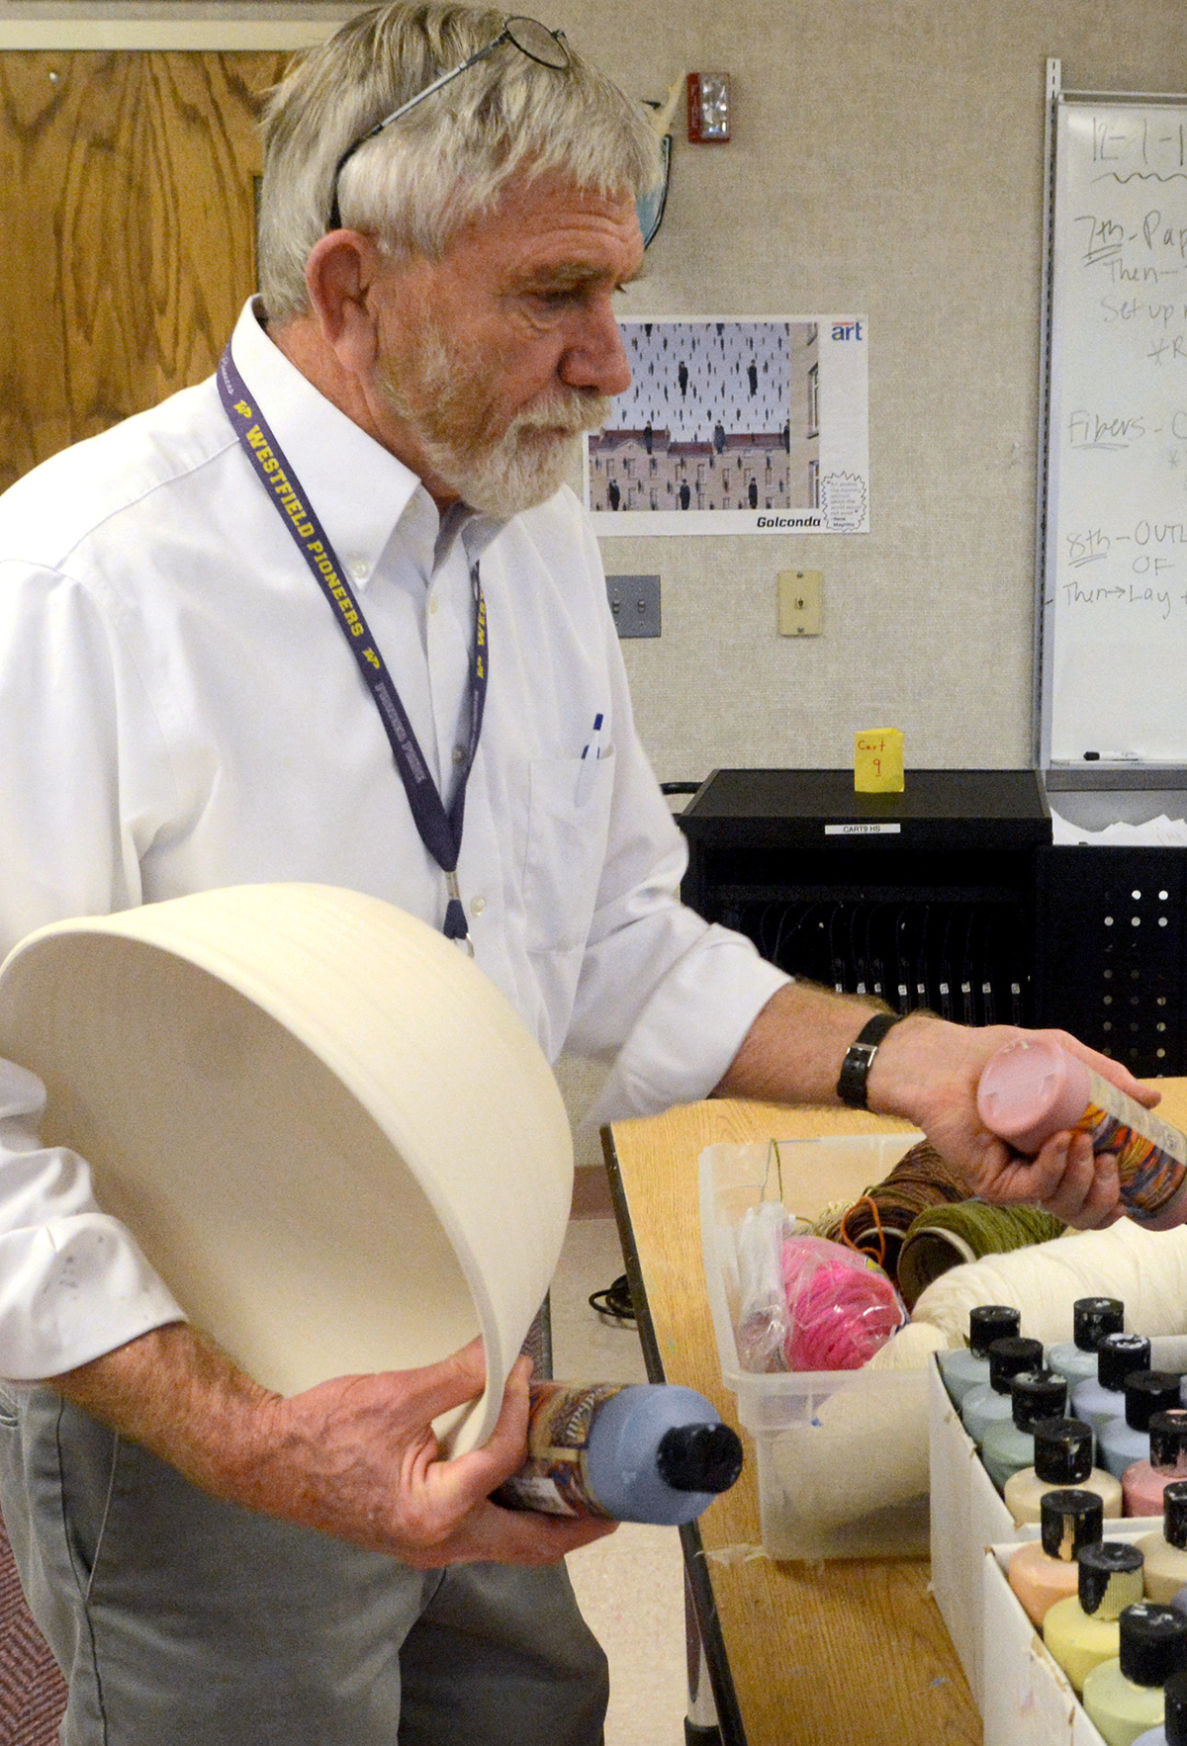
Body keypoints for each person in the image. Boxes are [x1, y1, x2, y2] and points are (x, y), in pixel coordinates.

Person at [0, 5, 1152, 1743]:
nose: (614, 363)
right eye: (555, 297)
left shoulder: (527, 516)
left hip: (488, 1306)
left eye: (620, 291)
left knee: (523, 1715)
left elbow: (613, 937)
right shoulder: (80, 587)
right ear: (352, 284)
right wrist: (245, 1431)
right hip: (208, 1367)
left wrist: (922, 1062)